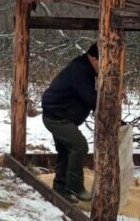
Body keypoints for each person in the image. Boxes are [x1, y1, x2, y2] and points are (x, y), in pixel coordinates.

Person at [41, 43, 99, 202]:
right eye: (103, 62)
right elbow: (92, 100)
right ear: (94, 58)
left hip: (60, 115)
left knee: (66, 152)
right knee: (79, 146)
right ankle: (75, 186)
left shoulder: (87, 68)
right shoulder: (81, 70)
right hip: (56, 117)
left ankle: (60, 189)